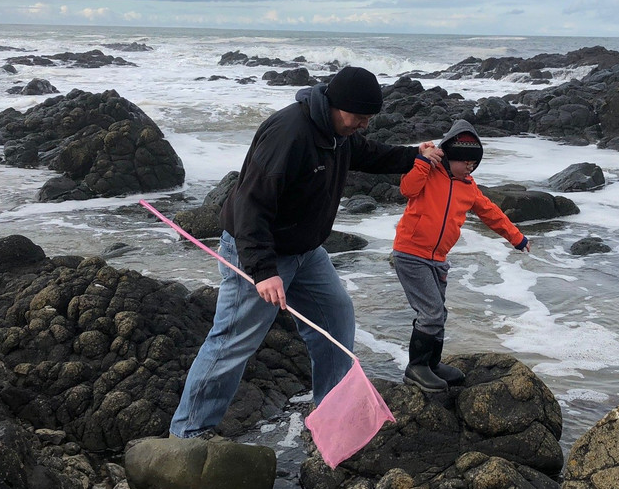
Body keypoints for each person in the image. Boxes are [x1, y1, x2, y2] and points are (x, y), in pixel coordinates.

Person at [170, 66, 443, 438]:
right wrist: (264, 270)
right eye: (359, 117)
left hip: (305, 252)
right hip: (260, 249)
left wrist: (416, 156)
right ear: (335, 103)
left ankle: (331, 414)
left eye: (368, 118)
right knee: (233, 341)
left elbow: (369, 154)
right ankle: (187, 434)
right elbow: (252, 206)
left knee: (337, 317)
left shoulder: (338, 133)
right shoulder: (290, 133)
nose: (363, 124)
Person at [392, 119, 529, 392]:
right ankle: (416, 367)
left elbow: (490, 212)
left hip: (439, 258)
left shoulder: (469, 186)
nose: (470, 167)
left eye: (474, 163)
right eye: (465, 161)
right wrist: (421, 160)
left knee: (438, 313)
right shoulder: (429, 172)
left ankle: (432, 363)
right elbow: (406, 189)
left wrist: (516, 237)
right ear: (450, 155)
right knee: (430, 312)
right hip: (410, 253)